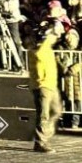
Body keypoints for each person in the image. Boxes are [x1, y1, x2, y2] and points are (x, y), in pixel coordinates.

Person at [29, 23, 63, 153]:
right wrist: (50, 35)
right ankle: (40, 142)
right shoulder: (38, 50)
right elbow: (40, 55)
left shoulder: (47, 49)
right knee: (43, 115)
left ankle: (44, 135)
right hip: (42, 85)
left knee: (56, 111)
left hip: (51, 85)